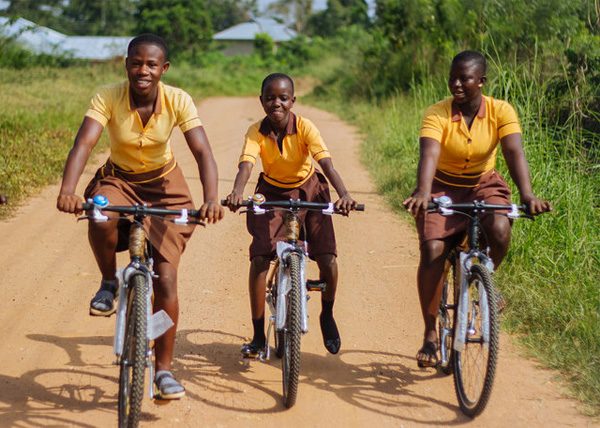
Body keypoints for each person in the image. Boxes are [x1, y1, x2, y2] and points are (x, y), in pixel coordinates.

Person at [56, 34, 224, 398]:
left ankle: (163, 370)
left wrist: (211, 198)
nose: (142, 70)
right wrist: (68, 191)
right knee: (100, 211)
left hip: (166, 186)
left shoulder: (178, 99)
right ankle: (108, 282)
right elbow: (83, 143)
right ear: (126, 64)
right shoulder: (108, 96)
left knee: (165, 280)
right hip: (119, 178)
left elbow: (203, 152)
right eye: (136, 62)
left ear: (164, 69)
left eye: (151, 64)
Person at [403, 51, 551, 368]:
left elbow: (514, 151)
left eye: (465, 78)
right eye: (452, 77)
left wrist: (528, 195)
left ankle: (483, 281)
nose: (456, 84)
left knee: (499, 229)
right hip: (442, 186)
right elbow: (428, 154)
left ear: (481, 81)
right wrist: (423, 192)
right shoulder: (437, 113)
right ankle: (430, 334)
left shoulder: (501, 110)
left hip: (484, 183)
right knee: (432, 251)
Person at [225, 73, 356, 356]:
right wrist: (237, 192)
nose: (277, 104)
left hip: (309, 189)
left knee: (328, 258)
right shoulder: (255, 131)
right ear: (261, 101)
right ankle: (259, 335)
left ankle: (327, 314)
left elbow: (327, 164)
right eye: (270, 98)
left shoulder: (306, 127)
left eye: (283, 98)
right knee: (260, 257)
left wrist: (344, 194)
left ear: (293, 101)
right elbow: (246, 165)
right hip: (272, 193)